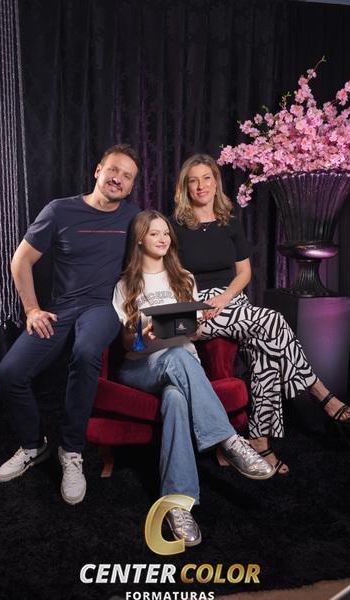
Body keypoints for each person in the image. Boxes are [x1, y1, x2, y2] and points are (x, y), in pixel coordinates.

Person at [171, 153, 350, 476]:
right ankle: (319, 392)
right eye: (193, 180)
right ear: (185, 187)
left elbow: (244, 273)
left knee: (264, 352)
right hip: (198, 306)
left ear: (216, 182)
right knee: (274, 320)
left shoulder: (229, 222)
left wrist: (226, 298)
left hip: (232, 301)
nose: (201, 186)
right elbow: (171, 274)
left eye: (207, 178)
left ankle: (260, 440)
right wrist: (197, 304)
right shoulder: (176, 226)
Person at [112, 210, 274, 547]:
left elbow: (195, 333)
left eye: (166, 233)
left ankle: (177, 504)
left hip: (182, 364)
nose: (163, 239)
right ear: (140, 239)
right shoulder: (126, 284)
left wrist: (196, 327)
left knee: (174, 397)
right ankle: (230, 441)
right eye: (154, 233)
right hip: (141, 367)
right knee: (173, 356)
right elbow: (128, 343)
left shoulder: (183, 278)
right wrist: (142, 334)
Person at [0, 144, 141, 504]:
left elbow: (158, 252)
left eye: (127, 176)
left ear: (131, 186)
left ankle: (71, 451)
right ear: (98, 170)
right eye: (114, 170)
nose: (118, 179)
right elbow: (20, 261)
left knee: (87, 351)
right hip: (60, 308)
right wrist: (32, 309)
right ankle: (33, 445)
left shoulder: (134, 217)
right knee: (9, 374)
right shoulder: (60, 210)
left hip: (102, 307)